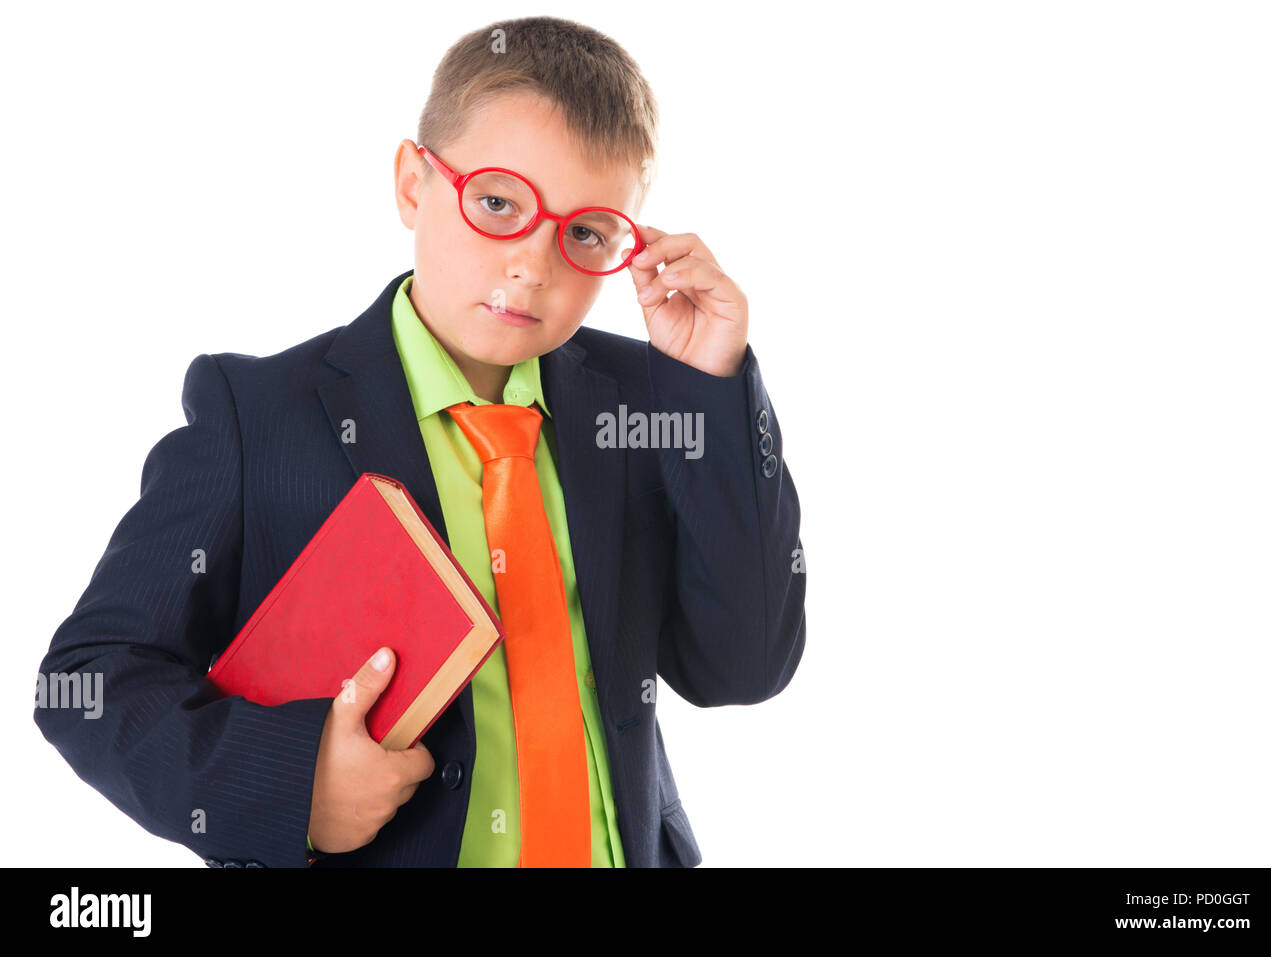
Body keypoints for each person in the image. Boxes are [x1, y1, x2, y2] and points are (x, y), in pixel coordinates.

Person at [33, 15, 805, 868]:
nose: (532, 266)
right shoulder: (260, 416)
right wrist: (297, 781)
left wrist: (712, 393)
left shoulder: (648, 399)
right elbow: (90, 680)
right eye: (499, 203)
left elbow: (743, 666)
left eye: (584, 233)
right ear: (412, 182)